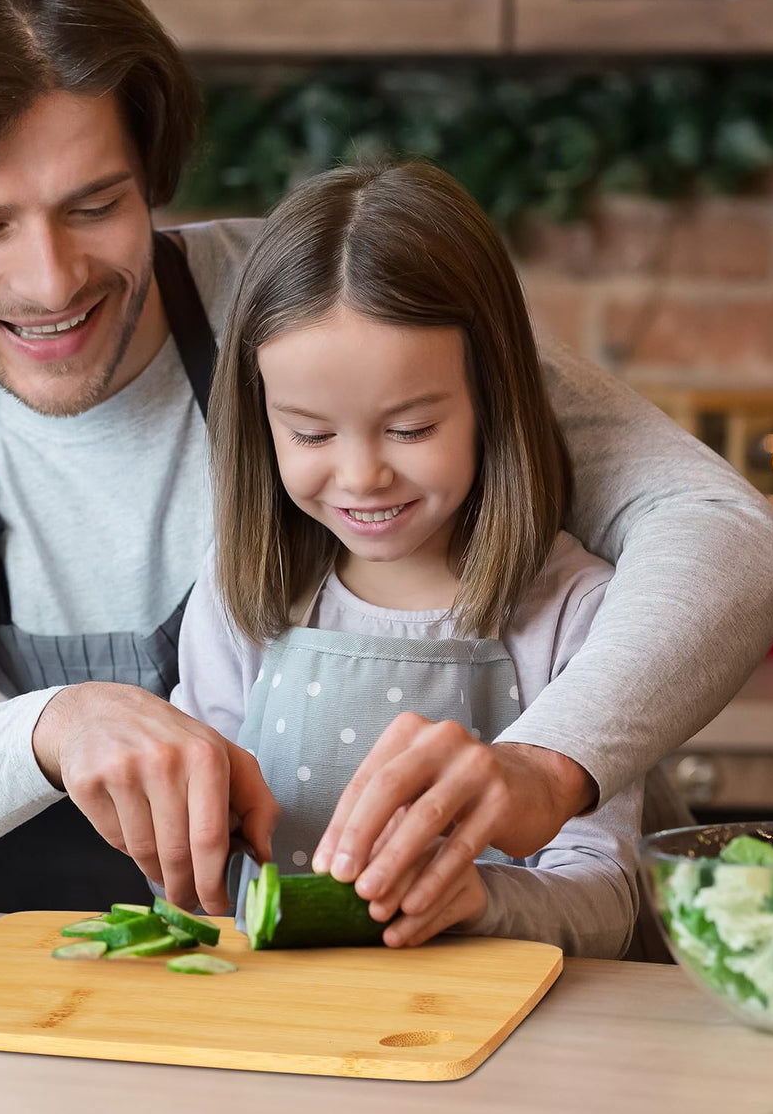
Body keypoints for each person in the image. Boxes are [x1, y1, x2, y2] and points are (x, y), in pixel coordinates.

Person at [0, 0, 773, 920]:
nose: (50, 280)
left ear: (150, 172)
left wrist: (545, 764)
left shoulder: (319, 304)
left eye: (96, 205)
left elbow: (733, 536)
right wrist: (55, 723)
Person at [174, 159, 642, 957]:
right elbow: (195, 868)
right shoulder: (243, 589)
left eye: (411, 429)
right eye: (311, 434)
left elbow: (609, 901)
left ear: (492, 401)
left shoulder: (579, 613)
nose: (362, 476)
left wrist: (483, 900)